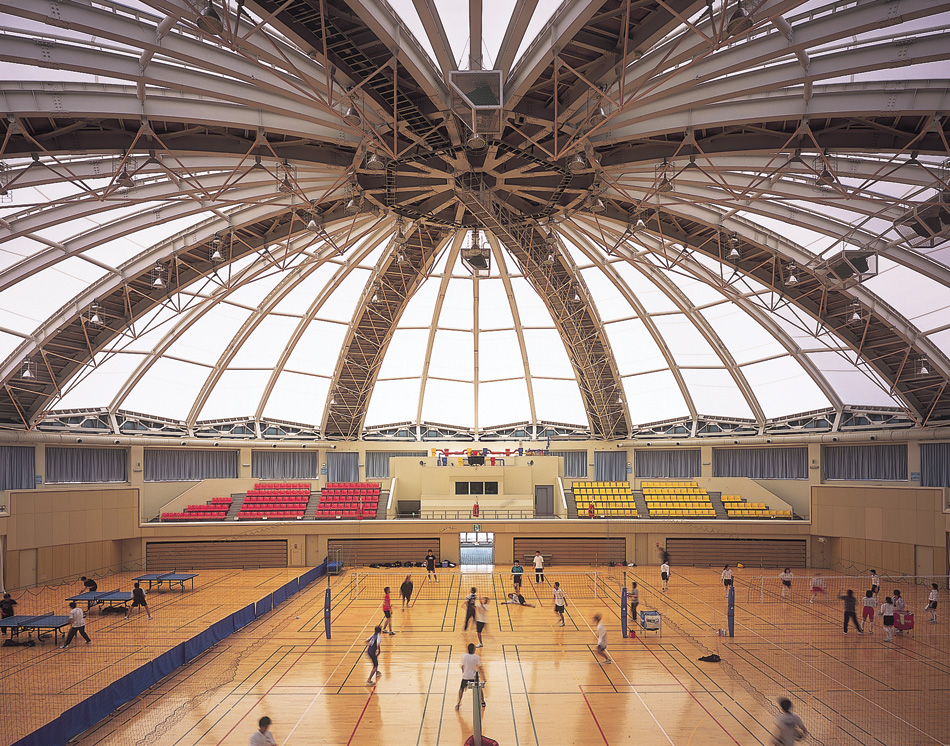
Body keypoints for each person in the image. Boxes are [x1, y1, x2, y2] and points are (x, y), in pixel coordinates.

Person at [455, 642, 486, 710]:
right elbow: (480, 668)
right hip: (473, 677)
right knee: (479, 688)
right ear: (474, 650)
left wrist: (464, 672)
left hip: (465, 676)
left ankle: (458, 703)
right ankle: (482, 702)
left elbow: (462, 666)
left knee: (461, 689)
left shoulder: (464, 656)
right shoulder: (476, 657)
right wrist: (484, 677)